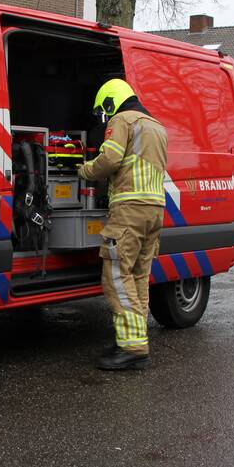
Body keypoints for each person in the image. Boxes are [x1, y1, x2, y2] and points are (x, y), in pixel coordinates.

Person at [79, 79, 168, 370]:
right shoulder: (156, 126)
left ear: (109, 103)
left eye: (102, 111)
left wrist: (83, 169)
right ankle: (134, 339)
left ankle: (132, 348)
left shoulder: (122, 120)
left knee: (116, 275)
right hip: (155, 210)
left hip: (129, 210)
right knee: (139, 277)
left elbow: (110, 160)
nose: (103, 118)